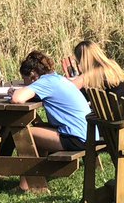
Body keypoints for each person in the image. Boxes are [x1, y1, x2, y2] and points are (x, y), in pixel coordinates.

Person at [9, 51, 94, 192]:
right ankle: (36, 181)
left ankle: (25, 186)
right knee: (38, 128)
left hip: (77, 138)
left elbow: (17, 99)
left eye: (25, 80)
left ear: (33, 75)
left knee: (23, 133)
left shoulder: (45, 82)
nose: (25, 83)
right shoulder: (57, 78)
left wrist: (17, 91)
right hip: (88, 134)